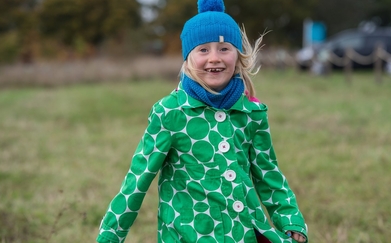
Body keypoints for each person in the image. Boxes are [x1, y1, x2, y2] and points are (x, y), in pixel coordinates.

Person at [96, 0, 308, 242]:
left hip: (244, 234)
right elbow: (137, 180)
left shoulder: (252, 113)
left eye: (224, 49)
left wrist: (291, 221)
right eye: (203, 50)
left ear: (238, 56)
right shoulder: (171, 113)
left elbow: (269, 174)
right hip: (190, 234)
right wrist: (110, 235)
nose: (214, 58)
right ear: (188, 57)